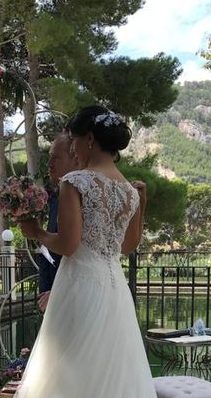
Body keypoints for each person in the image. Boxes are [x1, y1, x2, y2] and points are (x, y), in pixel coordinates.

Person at [17, 105, 152, 397]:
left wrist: (37, 232)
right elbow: (128, 246)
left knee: (68, 371)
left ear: (89, 139)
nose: (73, 149)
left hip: (79, 284)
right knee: (110, 369)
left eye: (74, 140)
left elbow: (69, 244)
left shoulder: (75, 181)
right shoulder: (129, 190)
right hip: (114, 290)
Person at [37, 131, 78, 312]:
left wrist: (57, 293)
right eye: (49, 157)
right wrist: (46, 289)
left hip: (74, 297)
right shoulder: (56, 197)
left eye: (56, 158)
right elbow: (48, 248)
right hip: (52, 294)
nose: (49, 164)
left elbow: (72, 250)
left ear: (75, 158)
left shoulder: (86, 196)